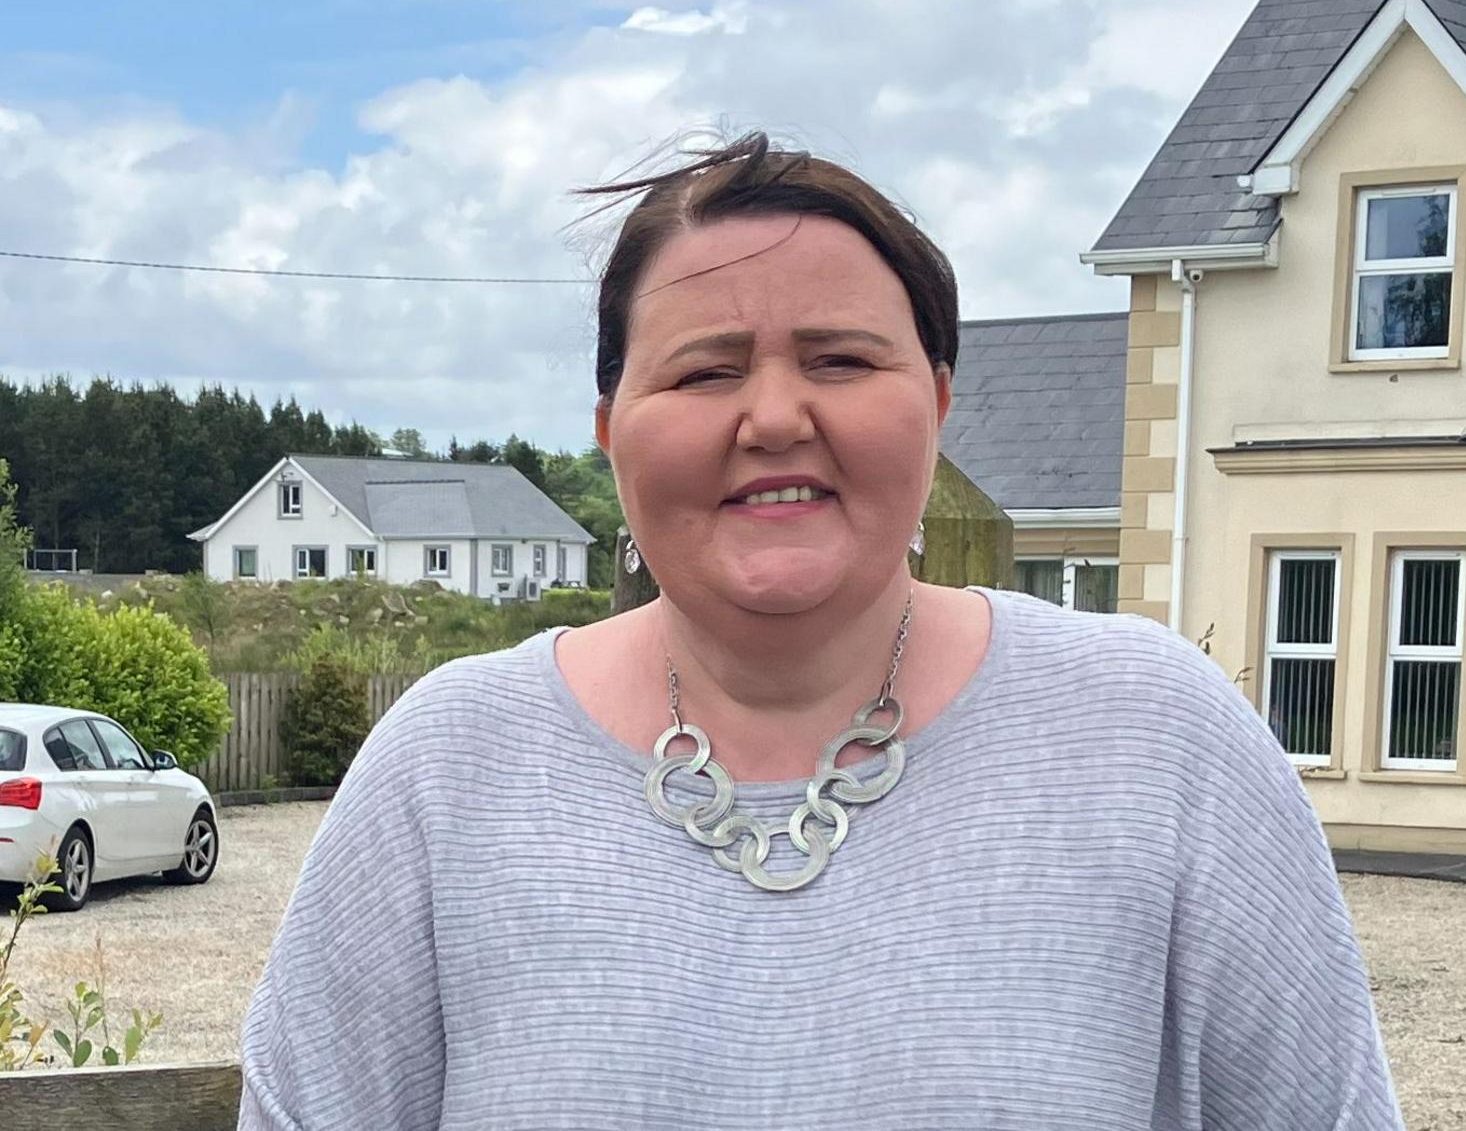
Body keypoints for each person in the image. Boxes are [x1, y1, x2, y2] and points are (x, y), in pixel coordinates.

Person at [238, 132, 1404, 1129]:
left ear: (939, 402)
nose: (776, 415)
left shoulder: (1157, 737)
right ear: (609, 426)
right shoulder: (446, 768)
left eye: (842, 360)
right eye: (705, 371)